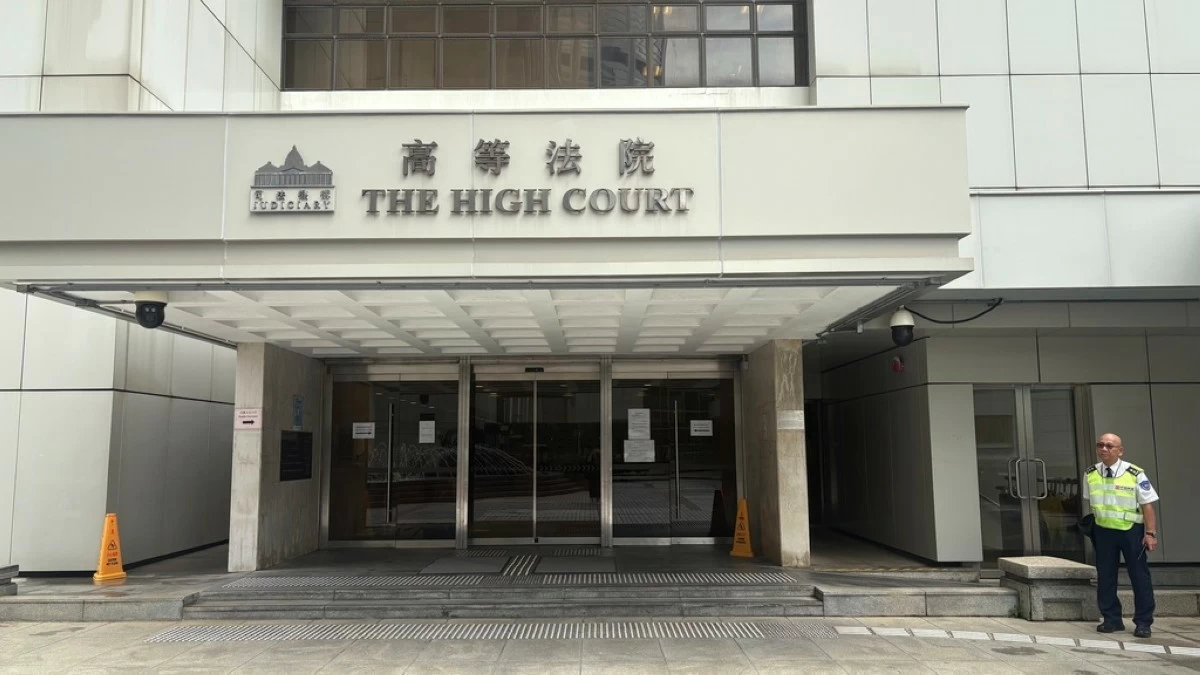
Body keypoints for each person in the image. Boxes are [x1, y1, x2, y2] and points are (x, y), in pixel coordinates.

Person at [1081, 433, 1158, 638]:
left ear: (1119, 451)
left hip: (1131, 531)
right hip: (1103, 531)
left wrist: (1150, 533)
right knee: (1106, 576)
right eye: (1100, 445)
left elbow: (1147, 506)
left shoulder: (1134, 473)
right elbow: (1092, 502)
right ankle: (1111, 619)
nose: (1104, 449)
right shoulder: (1090, 473)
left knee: (1139, 576)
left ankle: (1143, 622)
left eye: (1109, 446)